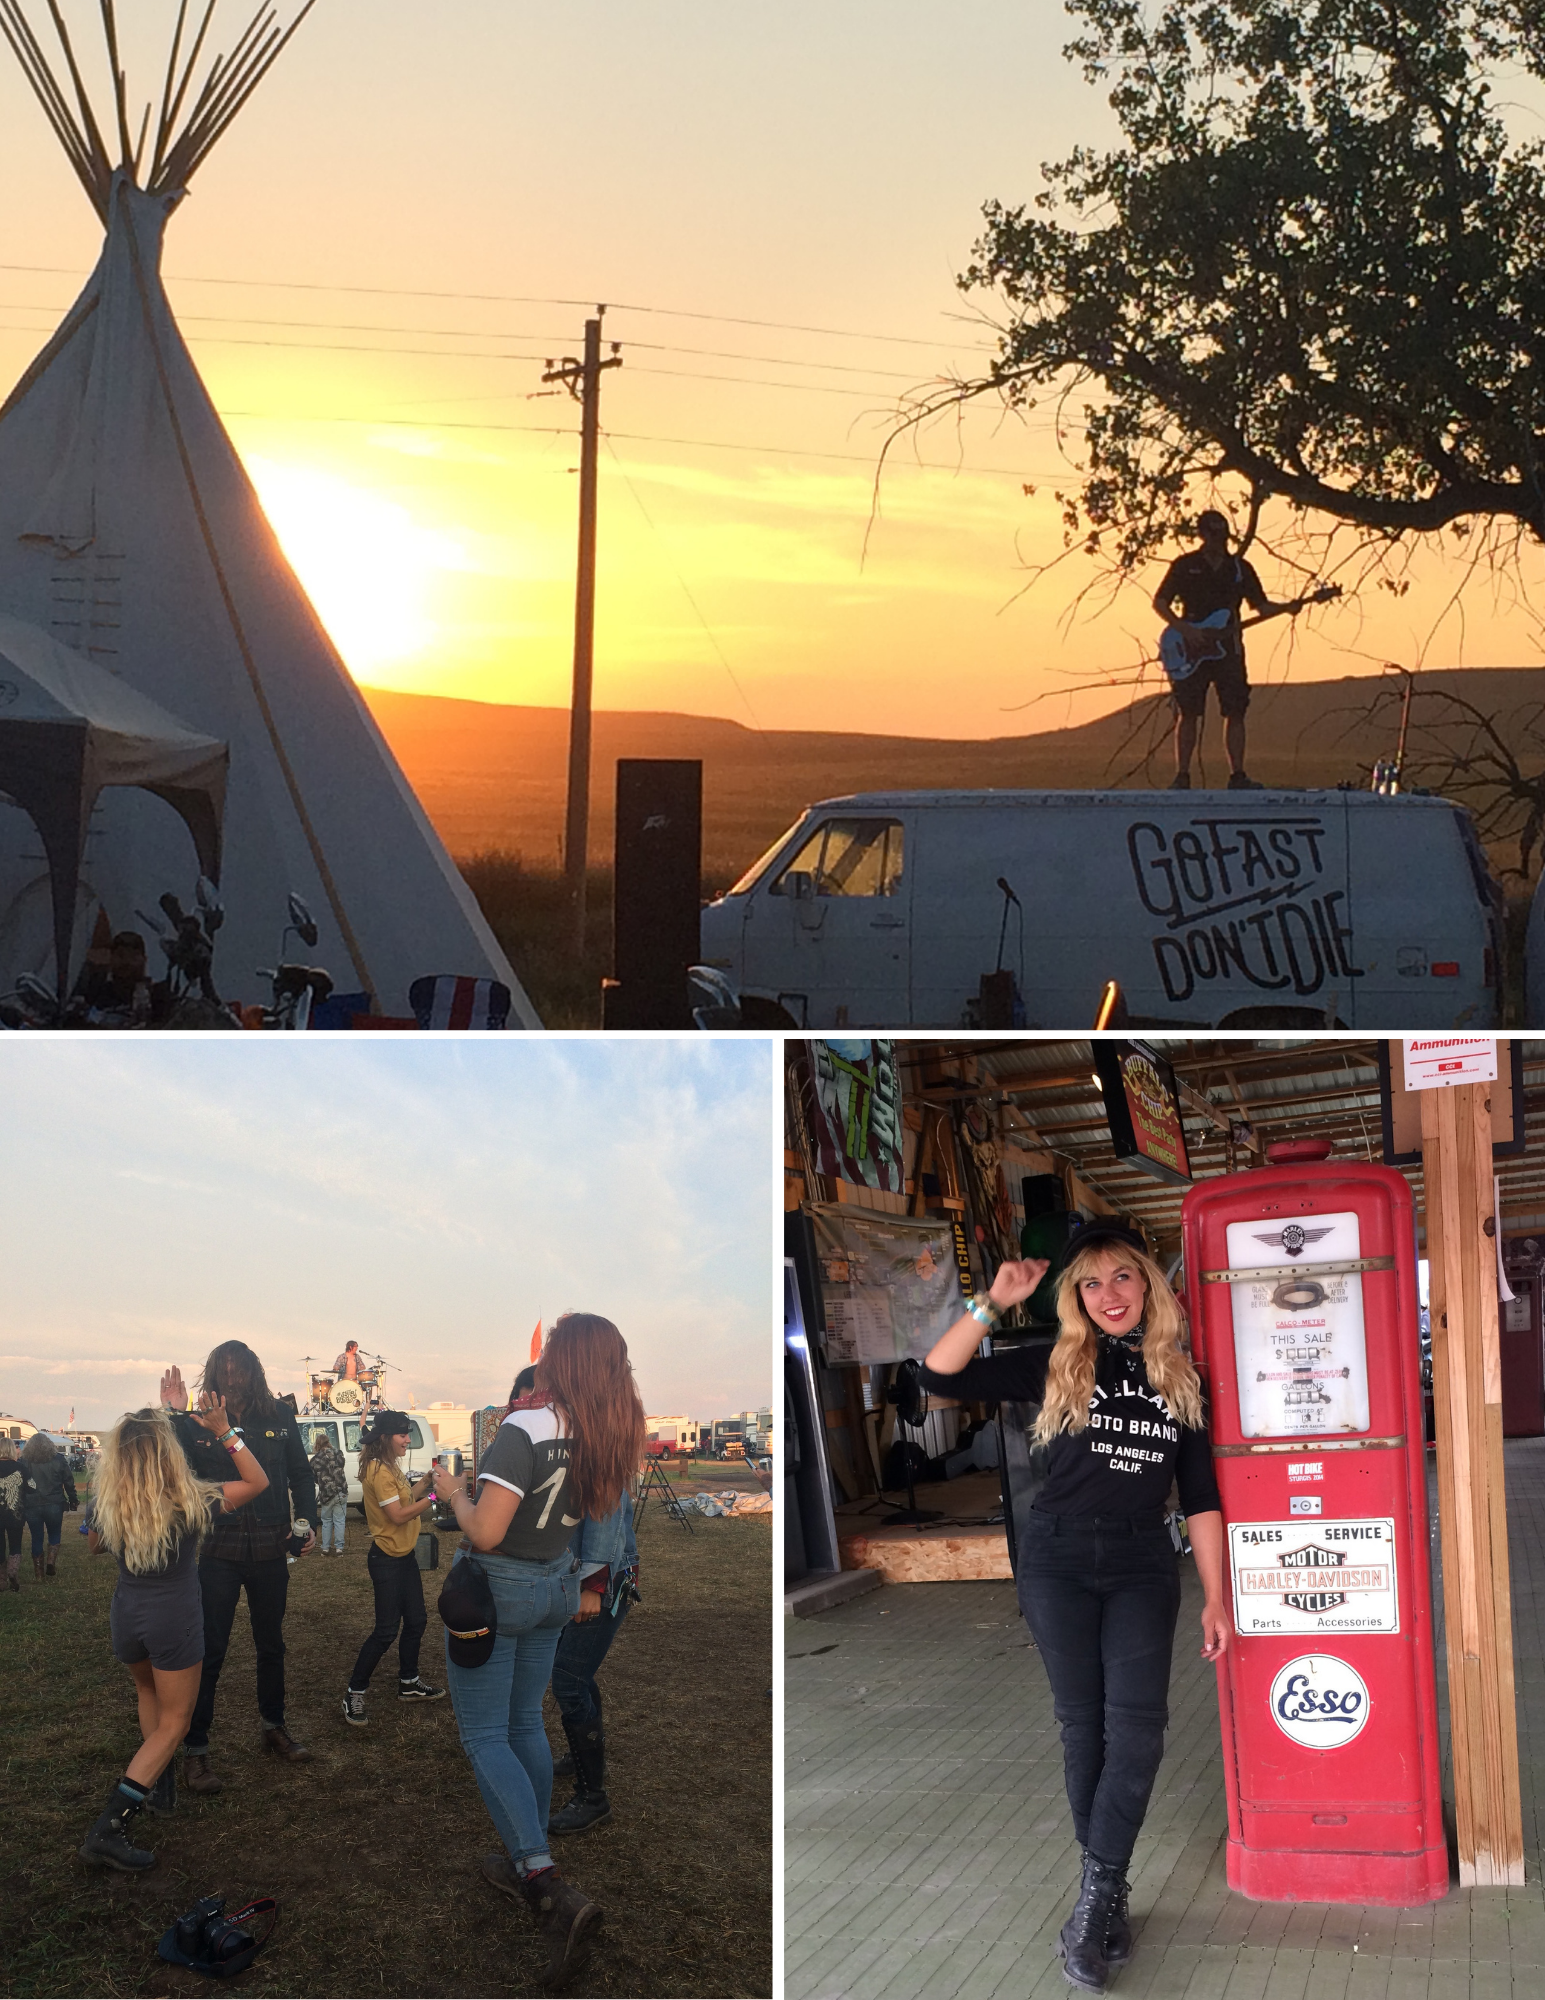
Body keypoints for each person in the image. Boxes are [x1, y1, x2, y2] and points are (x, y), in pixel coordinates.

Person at [918, 1227, 1228, 1996]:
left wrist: (1217, 1597)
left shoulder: (1182, 1377)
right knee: (1081, 1724)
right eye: (1092, 1284)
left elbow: (1200, 1498)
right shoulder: (1056, 1362)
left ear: (1148, 1288)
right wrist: (991, 1301)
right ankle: (1102, 1898)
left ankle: (1096, 1891)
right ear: (1077, 1299)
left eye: (1124, 1278)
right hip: (1055, 1559)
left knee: (1139, 1731)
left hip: (1139, 1564)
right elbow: (938, 1377)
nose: (1111, 1294)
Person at [431, 1313, 647, 1986]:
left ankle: (541, 1876)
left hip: (499, 1591)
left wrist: (455, 1496)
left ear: (562, 1359)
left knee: (484, 1734)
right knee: (525, 1719)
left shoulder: (524, 1429)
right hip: (555, 1587)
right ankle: (534, 1848)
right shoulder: (604, 1435)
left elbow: (488, 1533)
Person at [78, 1400, 269, 1871]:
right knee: (176, 1723)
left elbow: (94, 1544)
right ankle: (109, 1827)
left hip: (127, 1613)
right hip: (174, 1620)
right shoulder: (192, 1498)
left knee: (149, 1692)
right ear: (168, 1454)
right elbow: (258, 1482)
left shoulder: (109, 1500)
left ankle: (157, 1782)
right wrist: (226, 1433)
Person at [159, 1341, 318, 1792]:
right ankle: (196, 1749)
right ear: (212, 1374)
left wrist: (306, 1525)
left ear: (253, 1371)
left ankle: (273, 1726)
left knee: (271, 1644)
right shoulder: (194, 1423)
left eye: (239, 1368)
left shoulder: (279, 1416)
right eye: (224, 1369)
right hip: (218, 1552)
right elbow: (170, 1465)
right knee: (209, 1650)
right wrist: (173, 1412)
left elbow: (300, 1475)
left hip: (271, 1548)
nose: (232, 1376)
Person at [1152, 510, 1285, 791]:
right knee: (1188, 711)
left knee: (1235, 710)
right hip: (1192, 648)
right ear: (1202, 535)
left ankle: (1237, 775)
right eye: (1213, 535)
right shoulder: (1184, 565)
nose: (1219, 541)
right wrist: (1186, 630)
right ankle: (1182, 775)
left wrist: (1290, 607)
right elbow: (1160, 602)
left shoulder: (1240, 568)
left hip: (1229, 650)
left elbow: (1260, 606)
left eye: (1223, 536)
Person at [341, 1411, 443, 1720]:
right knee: (386, 1631)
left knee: (416, 1621)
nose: (408, 1439)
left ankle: (409, 1683)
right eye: (402, 1435)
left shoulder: (389, 1465)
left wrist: (425, 1484)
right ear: (386, 1438)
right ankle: (354, 1692)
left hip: (404, 1557)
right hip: (386, 1559)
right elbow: (398, 1516)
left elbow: (405, 1501)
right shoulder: (379, 1470)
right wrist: (439, 1496)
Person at [20, 1431, 77, 1578]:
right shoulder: (58, 1459)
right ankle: (51, 1561)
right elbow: (68, 1481)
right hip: (54, 1502)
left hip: (31, 1504)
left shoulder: (23, 1461)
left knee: (36, 1536)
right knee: (54, 1533)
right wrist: (73, 1499)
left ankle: (39, 1573)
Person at [311, 1430, 349, 1554]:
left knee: (326, 1521)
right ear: (328, 1442)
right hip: (341, 1491)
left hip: (326, 1494)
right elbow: (341, 1466)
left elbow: (313, 1477)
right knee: (339, 1520)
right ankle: (339, 1548)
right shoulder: (339, 1454)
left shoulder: (315, 1459)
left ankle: (325, 1547)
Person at [0, 1438, 25, 1591]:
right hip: (15, 1514)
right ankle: (12, 1573)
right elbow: (32, 1487)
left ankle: (1, 1581)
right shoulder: (21, 1468)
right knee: (15, 1545)